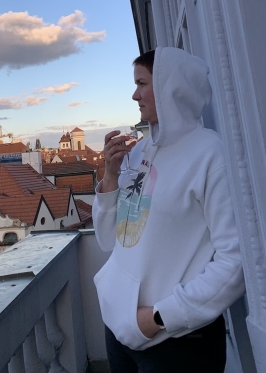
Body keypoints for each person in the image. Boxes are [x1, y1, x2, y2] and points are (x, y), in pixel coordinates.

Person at [93, 47, 245, 372]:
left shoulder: (210, 155)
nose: (135, 95)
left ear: (170, 85)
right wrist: (110, 176)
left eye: (142, 83)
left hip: (175, 344)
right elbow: (110, 238)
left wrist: (160, 317)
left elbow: (236, 260)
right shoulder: (142, 151)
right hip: (118, 330)